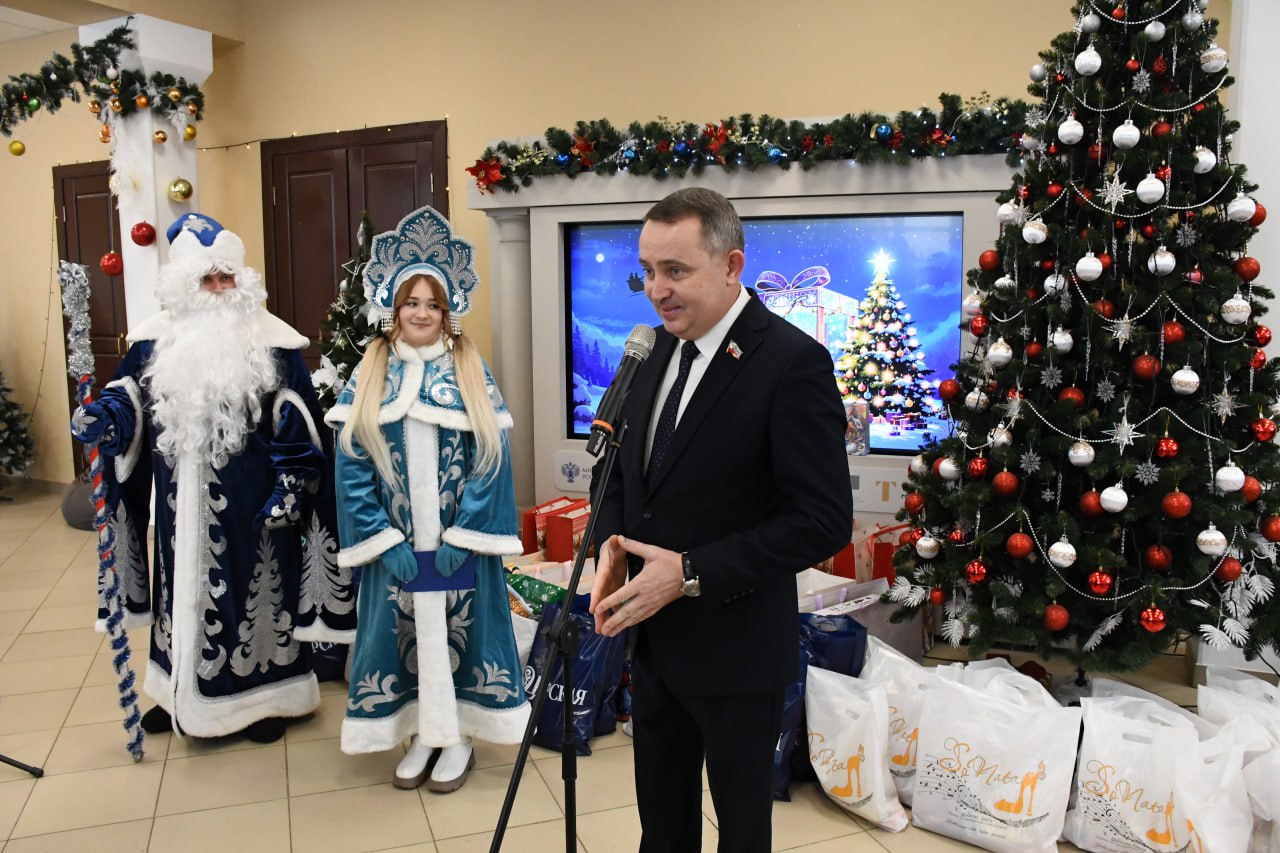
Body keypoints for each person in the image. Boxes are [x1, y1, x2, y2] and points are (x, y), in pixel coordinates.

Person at [589, 187, 853, 852]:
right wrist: (609, 546)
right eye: (648, 271)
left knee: (741, 835)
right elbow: (617, 472)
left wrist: (689, 572)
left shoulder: (792, 363)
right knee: (662, 832)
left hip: (737, 652)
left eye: (675, 271)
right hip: (653, 646)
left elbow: (821, 520)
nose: (657, 290)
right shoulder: (649, 352)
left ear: (732, 265)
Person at [71, 213, 355, 744]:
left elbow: (299, 422)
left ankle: (265, 699)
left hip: (254, 509)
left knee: (255, 596)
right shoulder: (152, 346)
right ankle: (175, 690)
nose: (221, 288)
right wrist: (104, 417)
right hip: (177, 509)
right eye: (209, 279)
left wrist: (291, 484)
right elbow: (128, 399)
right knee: (177, 596)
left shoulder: (274, 346)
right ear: (186, 287)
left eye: (228, 277)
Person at [327, 205, 529, 793]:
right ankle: (420, 731)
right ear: (394, 308)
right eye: (411, 302)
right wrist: (381, 539)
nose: (421, 313)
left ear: (448, 311)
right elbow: (351, 464)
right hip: (395, 549)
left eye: (433, 304)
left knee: (463, 636)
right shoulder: (370, 373)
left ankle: (457, 735)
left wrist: (465, 535)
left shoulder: (469, 372)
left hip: (456, 548)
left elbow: (492, 458)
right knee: (401, 637)